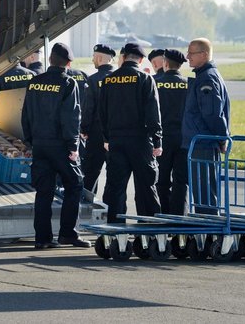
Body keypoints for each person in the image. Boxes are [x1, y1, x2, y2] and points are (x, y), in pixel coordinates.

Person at [21, 42, 88, 249]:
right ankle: (67, 234)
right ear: (68, 63)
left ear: (50, 60)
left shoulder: (35, 82)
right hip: (60, 145)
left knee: (44, 191)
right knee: (75, 184)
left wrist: (31, 140)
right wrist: (73, 146)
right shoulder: (68, 83)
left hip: (39, 144)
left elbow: (26, 114)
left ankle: (42, 238)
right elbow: (71, 117)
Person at [99, 42, 162, 224]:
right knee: (146, 187)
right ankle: (149, 229)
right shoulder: (145, 79)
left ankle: (115, 231)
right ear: (141, 60)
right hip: (140, 141)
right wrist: (157, 140)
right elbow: (153, 113)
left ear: (123, 57)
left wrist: (106, 138)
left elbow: (102, 113)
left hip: (116, 141)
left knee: (115, 188)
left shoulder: (109, 80)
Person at [182, 38, 231, 215]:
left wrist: (222, 138)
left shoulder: (207, 78)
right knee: (203, 192)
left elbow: (212, 113)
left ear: (203, 54)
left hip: (204, 143)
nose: (187, 57)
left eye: (191, 53)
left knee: (204, 194)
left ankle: (209, 234)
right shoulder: (206, 75)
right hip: (203, 142)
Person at [155, 49, 189, 215]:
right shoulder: (189, 83)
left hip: (163, 138)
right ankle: (179, 216)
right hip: (184, 139)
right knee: (181, 181)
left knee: (161, 180)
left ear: (165, 63)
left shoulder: (155, 83)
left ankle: (164, 213)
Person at [80, 43, 116, 199]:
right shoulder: (120, 78)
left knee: (91, 172)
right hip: (116, 134)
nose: (93, 60)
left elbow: (89, 108)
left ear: (100, 58)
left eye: (94, 57)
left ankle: (88, 204)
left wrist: (84, 129)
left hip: (96, 134)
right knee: (114, 176)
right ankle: (112, 210)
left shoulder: (94, 80)